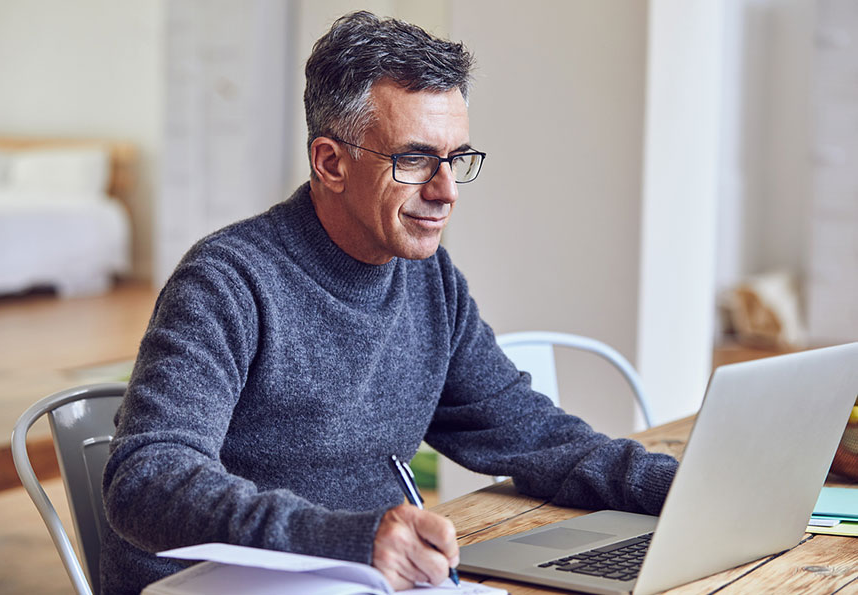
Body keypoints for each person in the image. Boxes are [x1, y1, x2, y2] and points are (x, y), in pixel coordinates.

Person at [101, 11, 678, 594]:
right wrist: (345, 537)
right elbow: (147, 481)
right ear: (331, 162)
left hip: (369, 578)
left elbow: (532, 435)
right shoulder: (227, 281)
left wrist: (686, 486)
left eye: (456, 159)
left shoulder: (431, 282)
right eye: (415, 159)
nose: (445, 190)